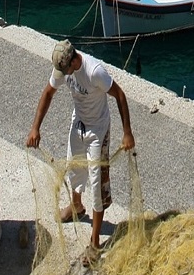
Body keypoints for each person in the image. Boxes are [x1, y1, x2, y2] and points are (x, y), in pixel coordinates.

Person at [26, 39, 134, 260]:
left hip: (98, 129)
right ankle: (76, 206)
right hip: (79, 123)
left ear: (74, 60)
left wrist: (127, 133)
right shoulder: (63, 69)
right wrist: (35, 128)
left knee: (96, 184)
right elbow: (48, 93)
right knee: (74, 167)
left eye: (66, 70)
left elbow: (120, 95)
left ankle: (94, 243)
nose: (63, 75)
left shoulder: (95, 72)